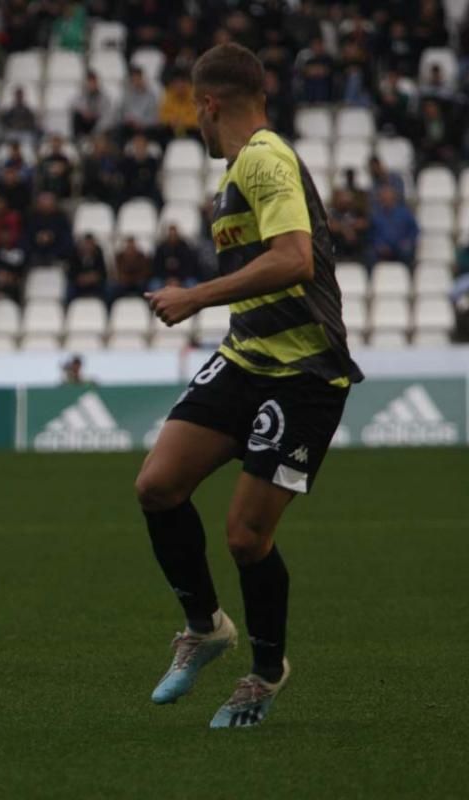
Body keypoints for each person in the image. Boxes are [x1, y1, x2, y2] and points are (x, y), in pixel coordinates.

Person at [138, 44, 363, 728]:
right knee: (157, 485)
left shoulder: (265, 160)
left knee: (244, 538)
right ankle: (205, 627)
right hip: (247, 357)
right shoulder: (238, 171)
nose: (192, 127)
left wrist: (195, 296)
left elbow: (294, 259)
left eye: (194, 112)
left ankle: (266, 673)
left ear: (209, 105)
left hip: (305, 371)